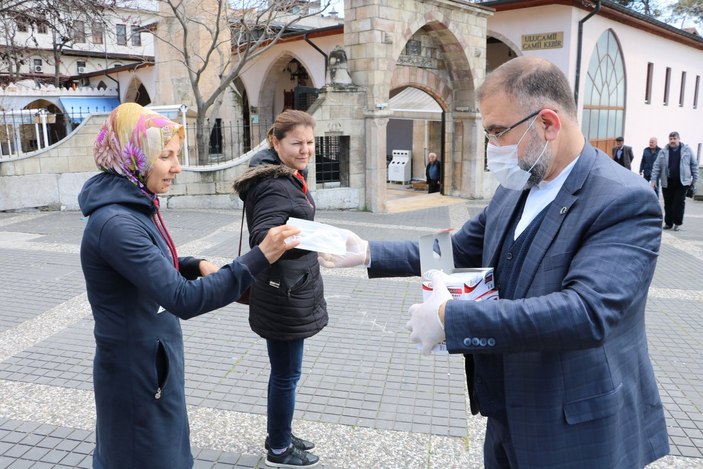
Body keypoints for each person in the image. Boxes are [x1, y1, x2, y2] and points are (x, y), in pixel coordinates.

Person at [320, 57, 669, 468]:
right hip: (507, 410)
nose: (491, 148)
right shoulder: (519, 184)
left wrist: (452, 319)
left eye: (498, 132)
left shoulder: (623, 200)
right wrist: (369, 251)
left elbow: (587, 312)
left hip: (575, 425)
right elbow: (460, 247)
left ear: (548, 124)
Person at [78, 103, 300, 469]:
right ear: (134, 156)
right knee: (144, 458)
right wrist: (259, 257)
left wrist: (195, 264)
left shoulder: (132, 207)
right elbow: (183, 298)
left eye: (175, 156)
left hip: (152, 364)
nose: (177, 167)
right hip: (136, 374)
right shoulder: (116, 223)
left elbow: (154, 266)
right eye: (166, 156)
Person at [233, 110, 326, 468]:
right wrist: (315, 239)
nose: (305, 150)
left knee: (286, 372)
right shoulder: (274, 183)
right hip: (284, 294)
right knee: (286, 375)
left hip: (285, 290)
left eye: (310, 143)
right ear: (276, 142)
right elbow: (264, 237)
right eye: (297, 143)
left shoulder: (284, 174)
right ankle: (278, 449)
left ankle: (280, 432)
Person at [650, 131, 698, 231]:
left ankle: (677, 222)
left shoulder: (687, 150)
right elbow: (656, 166)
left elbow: (694, 164)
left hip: (682, 182)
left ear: (679, 139)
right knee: (668, 204)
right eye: (670, 139)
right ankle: (668, 223)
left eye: (674, 138)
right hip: (667, 181)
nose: (672, 141)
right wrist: (653, 180)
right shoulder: (663, 151)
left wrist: (694, 179)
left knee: (678, 203)